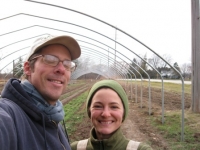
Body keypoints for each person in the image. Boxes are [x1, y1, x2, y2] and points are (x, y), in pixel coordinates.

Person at [0, 34, 81, 150]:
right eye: (50, 60)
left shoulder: (53, 119)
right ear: (28, 68)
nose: (62, 69)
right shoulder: (8, 117)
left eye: (67, 64)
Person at [71, 80, 152, 150]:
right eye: (98, 106)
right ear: (89, 111)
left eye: (114, 107)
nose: (106, 114)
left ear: (124, 112)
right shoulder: (73, 148)